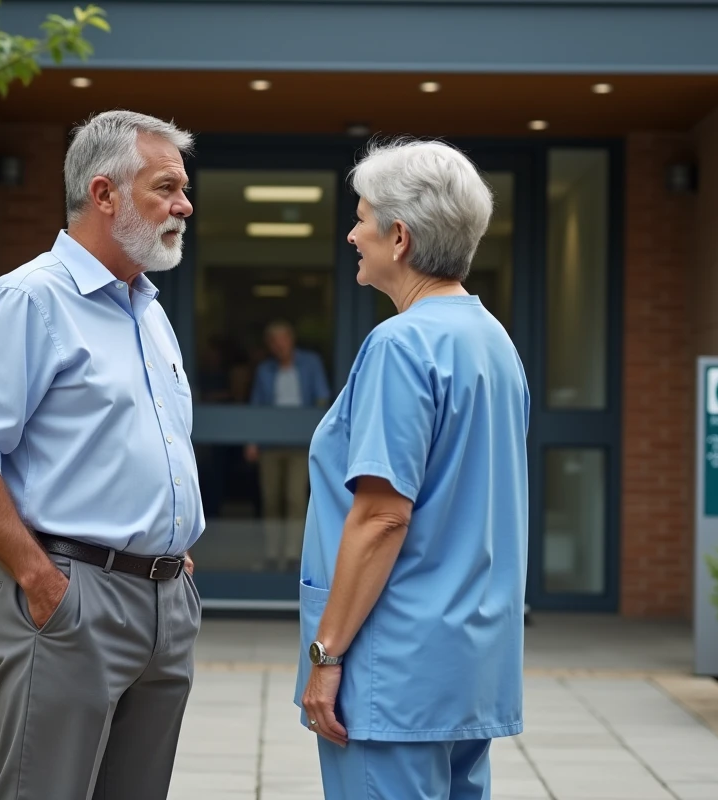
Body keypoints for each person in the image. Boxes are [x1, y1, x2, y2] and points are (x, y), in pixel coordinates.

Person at [0, 110, 204, 800]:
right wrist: (41, 580)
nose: (184, 204)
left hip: (165, 603)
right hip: (72, 595)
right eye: (166, 187)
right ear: (104, 193)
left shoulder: (150, 309)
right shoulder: (30, 299)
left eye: (183, 188)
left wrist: (172, 551)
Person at [295, 138, 530, 800]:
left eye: (361, 217)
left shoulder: (400, 345)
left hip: (390, 667)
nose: (350, 234)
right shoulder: (492, 341)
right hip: (467, 665)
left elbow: (381, 515)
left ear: (398, 237)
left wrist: (327, 654)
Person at [245, 320, 331, 571]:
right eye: (273, 341)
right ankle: (273, 555)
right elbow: (255, 407)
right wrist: (252, 440)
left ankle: (294, 555)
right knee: (271, 500)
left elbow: (322, 398)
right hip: (270, 442)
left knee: (295, 499)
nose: (278, 345)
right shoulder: (265, 370)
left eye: (282, 339)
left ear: (291, 340)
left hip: (300, 443)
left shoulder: (310, 363)